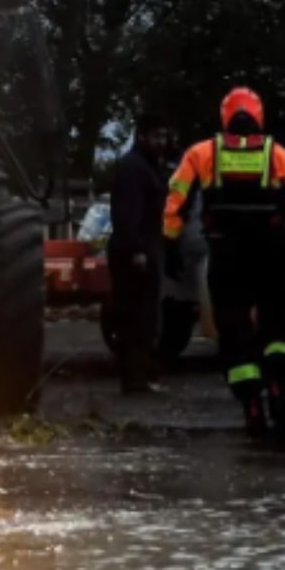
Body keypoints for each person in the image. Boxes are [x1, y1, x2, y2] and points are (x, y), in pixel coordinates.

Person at [163, 87, 285, 439]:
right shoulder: (280, 157)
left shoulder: (202, 153)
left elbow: (176, 199)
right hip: (273, 256)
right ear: (259, 116)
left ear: (224, 117)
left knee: (234, 331)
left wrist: (170, 242)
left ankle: (251, 405)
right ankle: (279, 389)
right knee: (277, 329)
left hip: (227, 256)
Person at [107, 113, 172, 395]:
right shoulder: (134, 168)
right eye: (156, 136)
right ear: (141, 136)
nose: (162, 142)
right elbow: (128, 214)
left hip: (145, 250)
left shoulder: (148, 166)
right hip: (135, 254)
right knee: (137, 319)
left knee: (143, 318)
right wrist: (136, 250)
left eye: (164, 136)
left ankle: (141, 378)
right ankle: (136, 381)